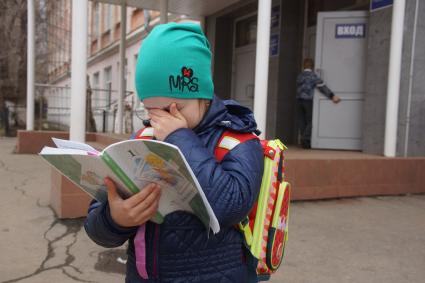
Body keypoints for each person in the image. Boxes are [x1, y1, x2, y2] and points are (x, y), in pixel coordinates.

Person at [84, 22, 264, 283]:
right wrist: (115, 219)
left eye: (172, 109)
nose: (160, 120)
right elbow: (97, 229)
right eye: (150, 110)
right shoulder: (144, 139)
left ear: (202, 94)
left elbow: (230, 207)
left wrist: (179, 138)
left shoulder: (238, 141)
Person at [296, 58, 341, 149]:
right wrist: (332, 96)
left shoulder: (300, 76)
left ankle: (303, 140)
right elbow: (322, 87)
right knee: (309, 121)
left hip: (298, 100)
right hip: (308, 101)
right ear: (312, 66)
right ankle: (306, 139)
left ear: (303, 66)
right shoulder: (313, 76)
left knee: (301, 121)